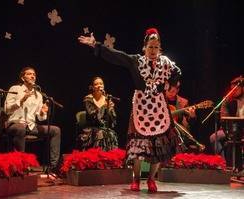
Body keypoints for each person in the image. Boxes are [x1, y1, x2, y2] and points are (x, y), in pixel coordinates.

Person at [78, 28, 184, 193]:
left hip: (159, 106)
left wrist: (168, 85)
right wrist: (96, 45)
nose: (153, 51)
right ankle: (136, 179)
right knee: (138, 146)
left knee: (158, 145)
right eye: (150, 47)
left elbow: (177, 72)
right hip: (141, 106)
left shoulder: (166, 63)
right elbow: (116, 55)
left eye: (156, 47)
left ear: (160, 48)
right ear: (144, 47)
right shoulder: (136, 61)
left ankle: (151, 180)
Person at [4, 66, 61, 174]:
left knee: (55, 130)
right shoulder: (15, 89)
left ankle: (53, 167)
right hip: (15, 123)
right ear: (22, 77)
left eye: (34, 74)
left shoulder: (38, 95)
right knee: (21, 128)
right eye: (29, 74)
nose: (32, 76)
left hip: (31, 125)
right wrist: (21, 100)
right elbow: (7, 110)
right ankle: (21, 166)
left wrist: (42, 112)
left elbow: (39, 117)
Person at [209, 75, 244, 170]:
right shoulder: (227, 100)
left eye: (236, 89)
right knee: (213, 137)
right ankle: (223, 165)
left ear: (242, 88)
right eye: (232, 89)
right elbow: (224, 117)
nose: (233, 91)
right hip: (231, 129)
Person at [77, 76, 118, 151]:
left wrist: (110, 109)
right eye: (96, 84)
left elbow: (112, 121)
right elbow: (93, 117)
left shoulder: (107, 99)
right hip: (92, 128)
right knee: (101, 133)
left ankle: (109, 158)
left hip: (104, 128)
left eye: (101, 84)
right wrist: (104, 107)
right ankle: (99, 157)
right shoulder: (88, 99)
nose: (99, 86)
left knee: (111, 134)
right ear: (92, 87)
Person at [165, 81, 205, 152]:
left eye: (174, 91)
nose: (171, 94)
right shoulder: (161, 100)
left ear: (178, 90)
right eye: (169, 91)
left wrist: (192, 116)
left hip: (177, 131)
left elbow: (190, 122)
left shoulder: (184, 102)